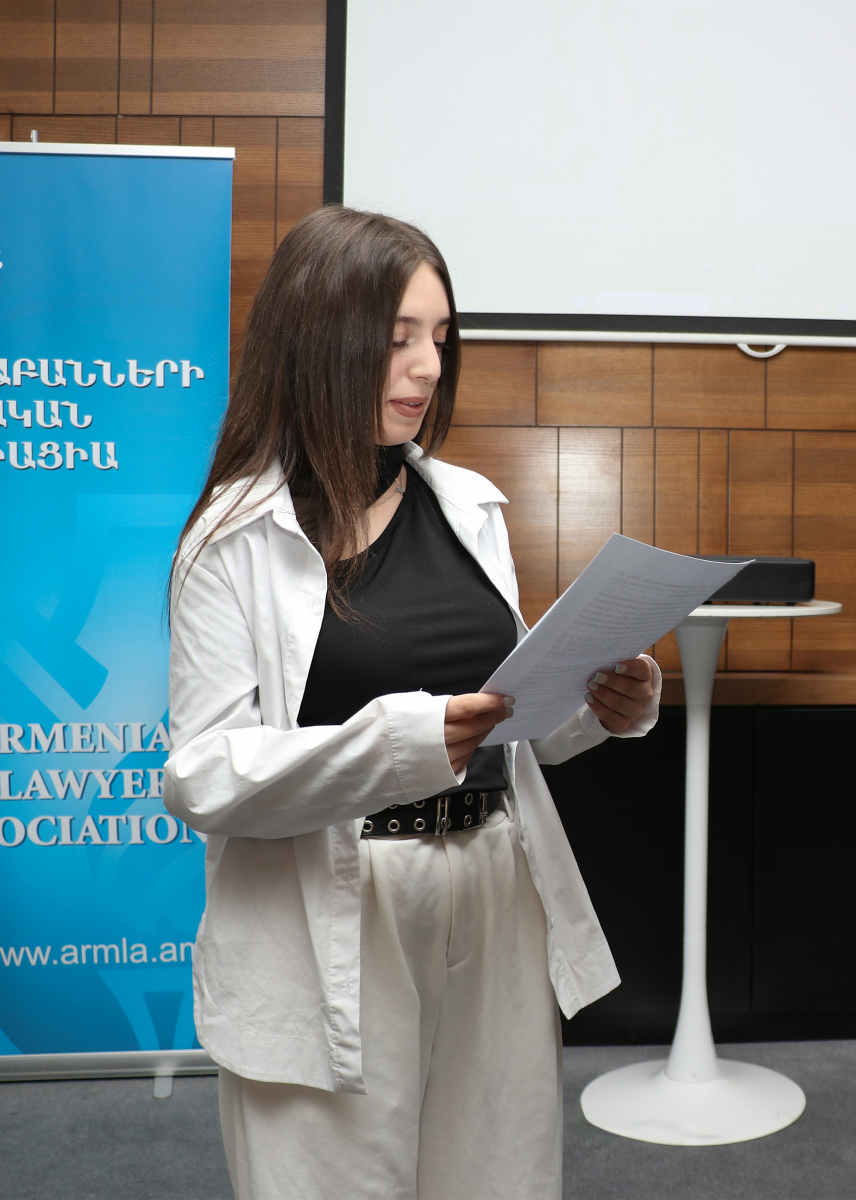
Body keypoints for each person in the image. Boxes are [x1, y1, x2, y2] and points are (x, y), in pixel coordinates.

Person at [163, 206, 661, 1199]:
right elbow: (203, 779)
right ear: (318, 341)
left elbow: (505, 726)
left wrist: (596, 705)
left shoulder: (468, 506)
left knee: (501, 1177)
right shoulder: (233, 537)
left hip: (495, 887)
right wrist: (401, 743)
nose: (429, 367)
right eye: (397, 339)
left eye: (440, 337)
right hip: (337, 907)